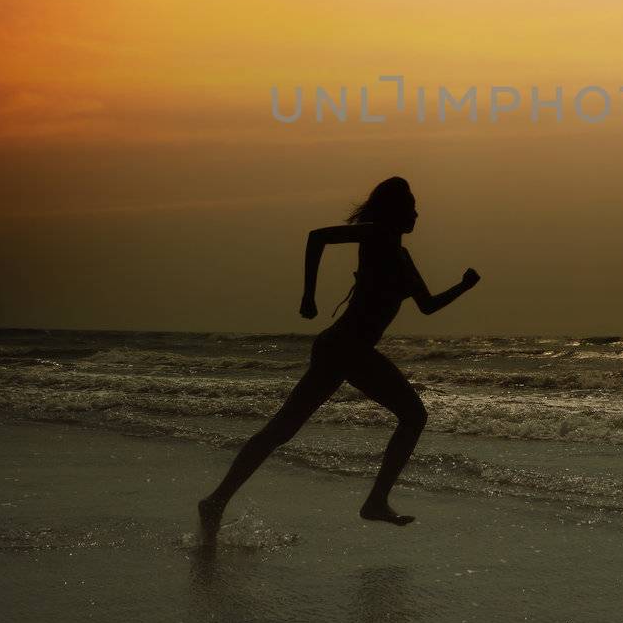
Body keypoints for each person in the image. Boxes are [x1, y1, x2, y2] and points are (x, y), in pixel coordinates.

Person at [197, 176, 480, 539]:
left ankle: (216, 501)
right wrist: (308, 296)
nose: (417, 214)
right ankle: (375, 501)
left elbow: (427, 306)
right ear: (395, 212)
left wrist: (463, 287)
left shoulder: (403, 257)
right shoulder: (375, 234)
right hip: (345, 347)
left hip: (346, 350)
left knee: (281, 430)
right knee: (412, 415)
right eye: (410, 207)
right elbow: (317, 238)